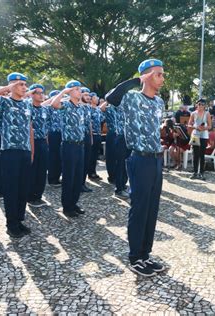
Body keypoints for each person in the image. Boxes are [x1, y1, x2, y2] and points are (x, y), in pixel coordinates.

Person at [105, 58, 166, 277]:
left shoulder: (159, 102)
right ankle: (135, 257)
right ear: (148, 75)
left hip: (156, 159)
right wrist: (136, 79)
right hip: (138, 159)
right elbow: (110, 97)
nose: (162, 78)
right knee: (139, 208)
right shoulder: (130, 98)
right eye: (159, 74)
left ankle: (146, 254)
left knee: (152, 208)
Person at [0, 72, 34, 239]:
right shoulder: (4, 102)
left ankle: (19, 220)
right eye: (20, 84)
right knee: (11, 189)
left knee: (23, 188)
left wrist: (31, 151)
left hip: (24, 151)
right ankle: (11, 224)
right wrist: (5, 89)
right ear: (11, 85)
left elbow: (30, 128)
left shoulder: (27, 104)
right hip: (9, 152)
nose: (24, 87)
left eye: (25, 84)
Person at [50, 81, 87, 218]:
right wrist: (64, 92)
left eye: (80, 89)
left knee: (78, 176)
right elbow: (54, 104)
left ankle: (74, 203)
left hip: (80, 145)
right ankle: (67, 206)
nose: (80, 92)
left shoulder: (81, 107)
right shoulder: (65, 104)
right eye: (76, 89)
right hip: (69, 145)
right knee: (69, 177)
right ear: (70, 91)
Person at [27, 84, 49, 207]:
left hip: (42, 142)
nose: (41, 95)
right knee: (32, 170)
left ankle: (39, 195)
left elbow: (46, 128)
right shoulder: (27, 108)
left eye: (42, 93)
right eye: (38, 93)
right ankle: (30, 196)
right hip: (31, 142)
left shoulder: (44, 109)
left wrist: (46, 142)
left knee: (42, 170)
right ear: (32, 95)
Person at [188, 98, 211, 180]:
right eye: (199, 104)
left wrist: (204, 128)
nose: (200, 106)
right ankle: (194, 172)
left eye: (202, 104)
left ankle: (201, 172)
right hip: (195, 135)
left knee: (202, 154)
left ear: (205, 106)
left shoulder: (207, 114)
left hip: (204, 135)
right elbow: (189, 124)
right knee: (195, 154)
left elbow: (210, 126)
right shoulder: (193, 113)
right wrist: (195, 126)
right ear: (196, 105)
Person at [47, 89, 63, 187]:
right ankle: (52, 179)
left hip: (61, 134)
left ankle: (57, 177)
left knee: (59, 157)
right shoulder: (48, 108)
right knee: (53, 157)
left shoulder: (62, 108)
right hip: (52, 134)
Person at [88, 92, 104, 180]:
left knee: (95, 155)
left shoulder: (98, 109)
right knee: (90, 155)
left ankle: (93, 171)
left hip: (98, 134)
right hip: (92, 134)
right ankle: (90, 172)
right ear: (91, 99)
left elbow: (102, 119)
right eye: (95, 97)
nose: (97, 98)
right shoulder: (88, 109)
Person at [80, 87, 93, 192]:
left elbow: (89, 124)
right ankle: (78, 184)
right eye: (85, 95)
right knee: (80, 161)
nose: (88, 97)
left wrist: (91, 137)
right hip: (79, 136)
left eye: (89, 95)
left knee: (86, 161)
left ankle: (83, 183)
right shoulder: (77, 106)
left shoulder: (88, 107)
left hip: (87, 136)